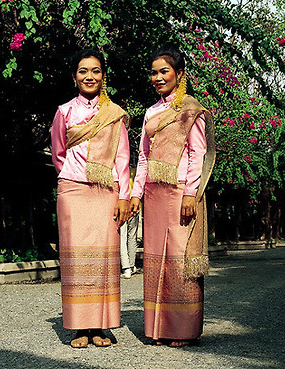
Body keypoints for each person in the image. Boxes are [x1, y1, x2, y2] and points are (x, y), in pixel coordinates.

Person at [130, 43, 215, 347]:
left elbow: (198, 153)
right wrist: (135, 194)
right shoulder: (151, 112)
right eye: (153, 72)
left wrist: (191, 194)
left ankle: (183, 329)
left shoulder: (190, 110)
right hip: (154, 194)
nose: (157, 77)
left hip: (181, 191)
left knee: (179, 258)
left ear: (179, 73)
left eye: (164, 71)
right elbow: (142, 157)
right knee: (155, 260)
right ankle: (157, 328)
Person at [51, 48, 130, 348]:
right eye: (83, 71)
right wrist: (74, 175)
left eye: (95, 71)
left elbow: (123, 158)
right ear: (74, 77)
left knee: (104, 260)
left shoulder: (114, 113)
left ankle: (101, 327)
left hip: (105, 192)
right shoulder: (64, 111)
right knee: (75, 259)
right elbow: (59, 153)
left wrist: (122, 195)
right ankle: (78, 327)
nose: (90, 76)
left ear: (103, 76)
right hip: (72, 191)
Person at [120, 169, 139, 278]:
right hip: (134, 203)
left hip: (124, 202)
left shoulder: (121, 169)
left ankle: (126, 268)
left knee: (123, 236)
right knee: (132, 236)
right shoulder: (135, 169)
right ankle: (132, 265)